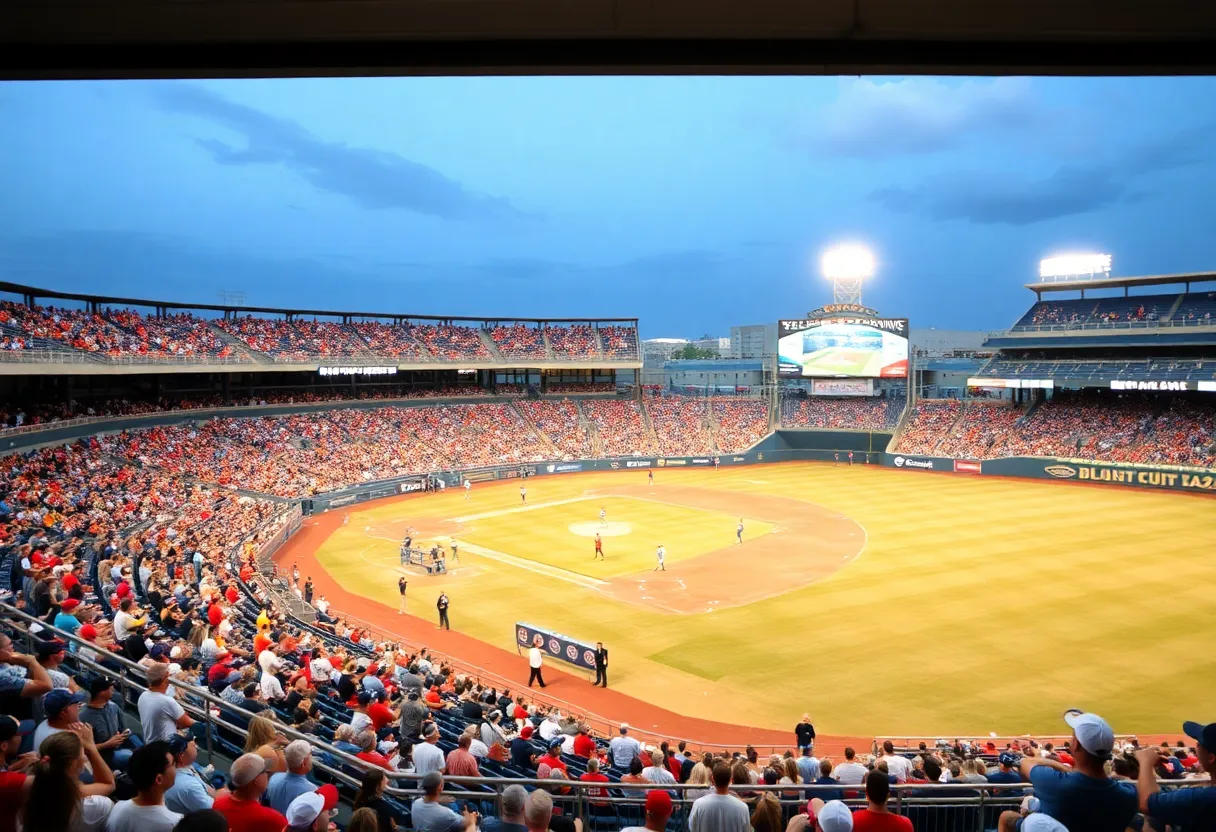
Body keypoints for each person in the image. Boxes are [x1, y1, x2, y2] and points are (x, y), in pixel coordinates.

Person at [999, 711, 1135, 832]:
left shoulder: (1054, 783)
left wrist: (1065, 769)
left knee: (1008, 817)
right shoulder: (1128, 795)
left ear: (1076, 744)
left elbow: (1025, 763)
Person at [21, 726, 116, 832]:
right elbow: (109, 784)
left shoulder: (22, 790)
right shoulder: (95, 806)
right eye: (83, 754)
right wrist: (91, 748)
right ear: (76, 764)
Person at [1134, 720, 1216, 829]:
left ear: (1211, 758)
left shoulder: (1200, 797)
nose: (1196, 746)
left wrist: (1145, 762)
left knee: (1152, 820)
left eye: (1199, 743)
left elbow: (1145, 803)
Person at [106, 741, 183, 832]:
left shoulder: (118, 808)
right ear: (159, 779)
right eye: (173, 764)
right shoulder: (173, 823)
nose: (176, 768)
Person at [213, 753, 288, 832]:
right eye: (265, 771)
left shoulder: (217, 804)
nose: (268, 774)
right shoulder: (274, 819)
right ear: (257, 780)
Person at [80, 675, 138, 770]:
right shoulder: (83, 716)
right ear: (101, 692)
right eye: (111, 688)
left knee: (141, 747)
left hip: (118, 747)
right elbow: (82, 749)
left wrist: (122, 735)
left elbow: (123, 729)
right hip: (101, 756)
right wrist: (107, 744)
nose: (114, 690)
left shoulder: (113, 707)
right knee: (135, 758)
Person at [165, 735, 225, 815]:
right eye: (193, 746)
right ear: (181, 755)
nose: (196, 747)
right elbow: (214, 811)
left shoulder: (184, 766)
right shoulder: (189, 786)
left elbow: (208, 789)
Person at [139, 663, 194, 743]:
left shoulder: (143, 695)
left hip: (150, 741)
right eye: (169, 675)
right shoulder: (166, 701)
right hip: (166, 746)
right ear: (165, 679)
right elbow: (187, 722)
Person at [690, 761, 751, 832]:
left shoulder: (698, 804)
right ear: (731, 780)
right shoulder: (743, 808)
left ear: (712, 779)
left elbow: (692, 827)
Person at [265, 740, 319, 814]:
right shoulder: (311, 791)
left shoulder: (274, 778)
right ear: (304, 763)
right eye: (310, 754)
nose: (312, 758)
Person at [412, 771, 477, 832]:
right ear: (440, 787)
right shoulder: (446, 814)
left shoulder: (415, 804)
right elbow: (467, 823)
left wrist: (439, 800)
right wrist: (472, 820)